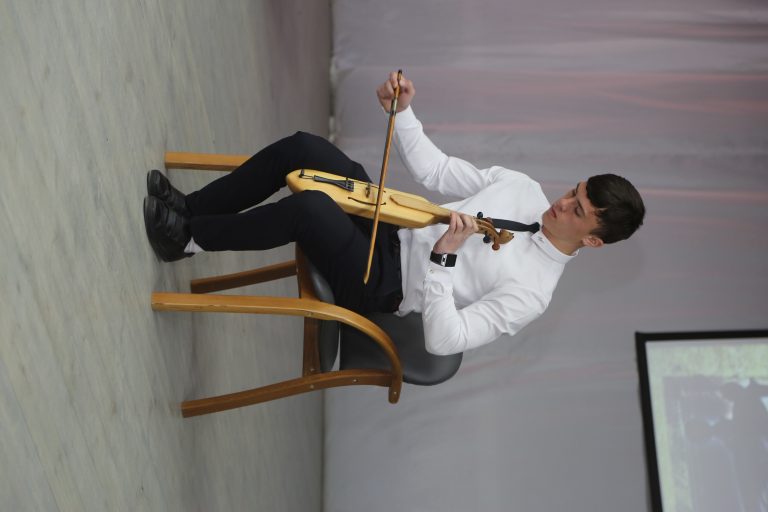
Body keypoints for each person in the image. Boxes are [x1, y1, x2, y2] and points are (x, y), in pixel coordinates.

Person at [144, 71, 645, 355]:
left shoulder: (533, 294)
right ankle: (190, 208)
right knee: (304, 147)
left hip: (383, 282)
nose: (561, 203)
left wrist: (444, 260)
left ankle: (188, 239)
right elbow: (437, 170)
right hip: (390, 221)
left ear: (593, 240)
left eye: (577, 210)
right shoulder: (522, 188)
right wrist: (402, 112)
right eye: (573, 191)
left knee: (312, 209)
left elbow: (446, 340)